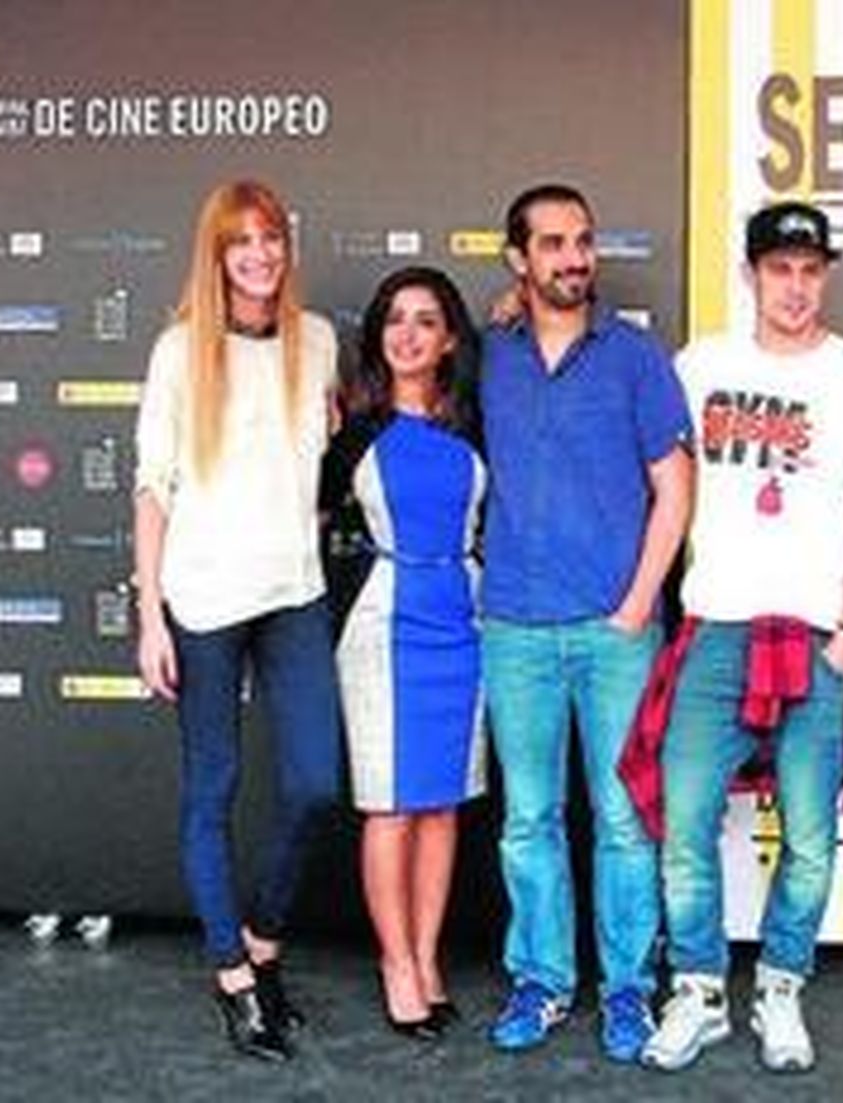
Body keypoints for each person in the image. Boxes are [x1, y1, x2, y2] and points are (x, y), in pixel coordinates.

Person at [637, 200, 843, 1073]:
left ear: (823, 275)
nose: (795, 287)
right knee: (685, 824)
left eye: (809, 270)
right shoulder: (700, 364)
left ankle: (782, 987)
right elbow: (637, 436)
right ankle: (701, 992)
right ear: (751, 273)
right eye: (779, 269)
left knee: (806, 833)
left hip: (812, 631)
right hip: (716, 623)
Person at [479, 183, 693, 1062]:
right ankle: (542, 979)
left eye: (584, 242)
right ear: (518, 261)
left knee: (621, 818)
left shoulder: (636, 358)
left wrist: (638, 602)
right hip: (514, 627)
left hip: (616, 631)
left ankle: (630, 992)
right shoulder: (486, 353)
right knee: (528, 817)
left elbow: (675, 489)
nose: (574, 259)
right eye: (554, 244)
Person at [132, 179, 341, 1062]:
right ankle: (233, 976)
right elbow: (153, 486)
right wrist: (151, 615)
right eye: (240, 242)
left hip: (294, 590)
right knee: (210, 789)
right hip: (203, 598)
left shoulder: (320, 340)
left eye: (270, 239)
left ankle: (261, 940)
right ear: (216, 256)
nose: (259, 255)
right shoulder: (182, 351)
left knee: (315, 784)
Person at [323, 266, 487, 1041]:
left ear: (450, 337)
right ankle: (396, 964)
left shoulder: (475, 426)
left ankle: (427, 957)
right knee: (391, 804)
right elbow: (299, 511)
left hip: (465, 621)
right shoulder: (353, 430)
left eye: (427, 320)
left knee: (442, 801)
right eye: (395, 319)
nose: (409, 333)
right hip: (383, 622)